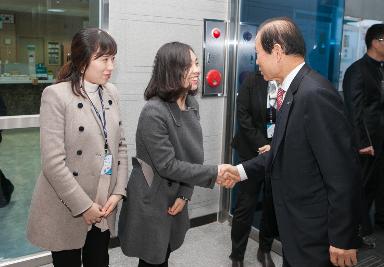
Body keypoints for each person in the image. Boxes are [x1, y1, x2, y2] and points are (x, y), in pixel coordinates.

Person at [220, 17, 361, 267]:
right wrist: (240, 171)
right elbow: (282, 151)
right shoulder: (292, 89)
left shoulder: (314, 93)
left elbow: (343, 172)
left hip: (315, 234)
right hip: (296, 227)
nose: (257, 60)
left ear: (276, 51)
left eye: (258, 53)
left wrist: (343, 237)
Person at [118, 42, 235, 267]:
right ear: (171, 70)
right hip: (152, 197)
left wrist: (185, 194)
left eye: (197, 63)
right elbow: (167, 165)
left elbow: (192, 158)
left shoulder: (191, 104)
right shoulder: (153, 111)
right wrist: (215, 172)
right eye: (189, 64)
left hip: (176, 191)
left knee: (167, 249)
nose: (197, 70)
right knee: (153, 257)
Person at [27, 28, 128, 267]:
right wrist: (84, 206)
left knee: (99, 261)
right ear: (82, 62)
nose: (110, 66)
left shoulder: (111, 92)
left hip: (103, 200)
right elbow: (53, 163)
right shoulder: (56, 95)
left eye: (113, 59)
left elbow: (120, 146)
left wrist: (118, 191)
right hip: (69, 204)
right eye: (104, 59)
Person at [343, 24, 384, 239]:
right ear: (376, 42)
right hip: (366, 144)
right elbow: (353, 111)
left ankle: (368, 226)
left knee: (379, 186)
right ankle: (351, 231)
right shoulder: (357, 71)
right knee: (360, 188)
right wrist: (362, 142)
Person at [230, 72, 278, 267]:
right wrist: (262, 145)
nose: (259, 61)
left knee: (271, 203)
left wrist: (274, 146)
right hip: (251, 150)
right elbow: (243, 116)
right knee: (246, 204)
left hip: (277, 151)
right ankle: (237, 256)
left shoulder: (287, 82)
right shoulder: (251, 81)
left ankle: (264, 249)